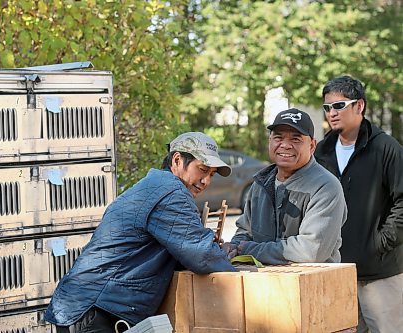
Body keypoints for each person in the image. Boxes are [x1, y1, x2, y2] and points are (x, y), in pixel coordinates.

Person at [45, 132, 236, 333]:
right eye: (202, 169)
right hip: (95, 311)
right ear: (177, 160)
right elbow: (202, 256)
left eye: (212, 174)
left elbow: (184, 250)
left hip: (84, 306)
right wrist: (226, 252)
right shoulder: (172, 192)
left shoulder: (155, 186)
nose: (206, 181)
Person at [314, 75, 403, 333]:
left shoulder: (386, 148)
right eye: (327, 107)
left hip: (381, 274)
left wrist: (380, 242)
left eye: (339, 105)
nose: (332, 113)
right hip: (335, 273)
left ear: (359, 106)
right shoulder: (321, 152)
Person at [223, 108, 347, 264]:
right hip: (265, 284)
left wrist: (248, 249)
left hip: (311, 284)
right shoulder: (261, 184)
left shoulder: (325, 187)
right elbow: (245, 232)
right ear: (270, 141)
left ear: (312, 145)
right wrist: (233, 246)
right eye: (278, 137)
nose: (285, 145)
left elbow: (311, 250)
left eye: (295, 139)